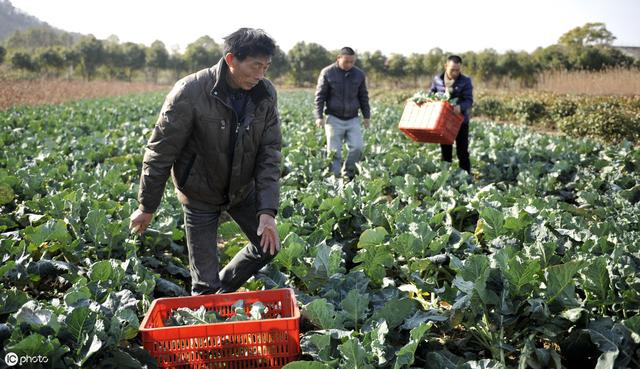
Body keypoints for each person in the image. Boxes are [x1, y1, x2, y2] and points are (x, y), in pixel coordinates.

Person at [129, 28, 282, 295]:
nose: (261, 75)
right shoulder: (190, 91)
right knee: (204, 286)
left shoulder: (265, 93)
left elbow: (269, 153)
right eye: (255, 66)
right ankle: (210, 300)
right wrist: (147, 205)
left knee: (268, 247)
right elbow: (160, 151)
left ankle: (220, 292)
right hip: (199, 193)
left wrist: (266, 211)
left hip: (243, 190)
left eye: (266, 67)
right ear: (232, 59)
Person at [314, 47, 371, 180]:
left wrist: (366, 116)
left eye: (352, 62)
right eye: (346, 62)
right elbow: (320, 96)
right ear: (338, 58)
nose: (349, 65)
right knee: (334, 152)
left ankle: (348, 173)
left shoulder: (359, 74)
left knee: (357, 147)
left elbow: (363, 96)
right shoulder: (327, 73)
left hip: (353, 118)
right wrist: (318, 116)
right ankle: (334, 178)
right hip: (333, 118)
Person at [429, 55, 474, 174]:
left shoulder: (465, 81)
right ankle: (445, 177)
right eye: (452, 69)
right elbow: (430, 95)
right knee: (445, 151)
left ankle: (466, 177)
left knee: (462, 151)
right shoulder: (437, 80)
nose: (455, 72)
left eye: (457, 70)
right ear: (446, 66)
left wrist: (460, 106)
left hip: (460, 121)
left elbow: (469, 100)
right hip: (444, 122)